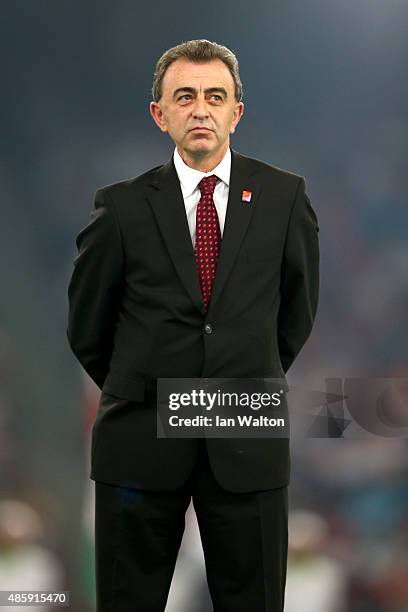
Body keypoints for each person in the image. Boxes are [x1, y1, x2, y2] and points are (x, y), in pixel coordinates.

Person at [67, 39, 320, 612]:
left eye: (215, 96)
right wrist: (147, 390)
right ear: (160, 114)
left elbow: (296, 317)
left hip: (245, 436)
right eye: (185, 96)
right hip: (138, 443)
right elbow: (88, 329)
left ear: (237, 111)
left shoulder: (285, 198)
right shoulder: (120, 207)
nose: (201, 109)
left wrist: (240, 382)